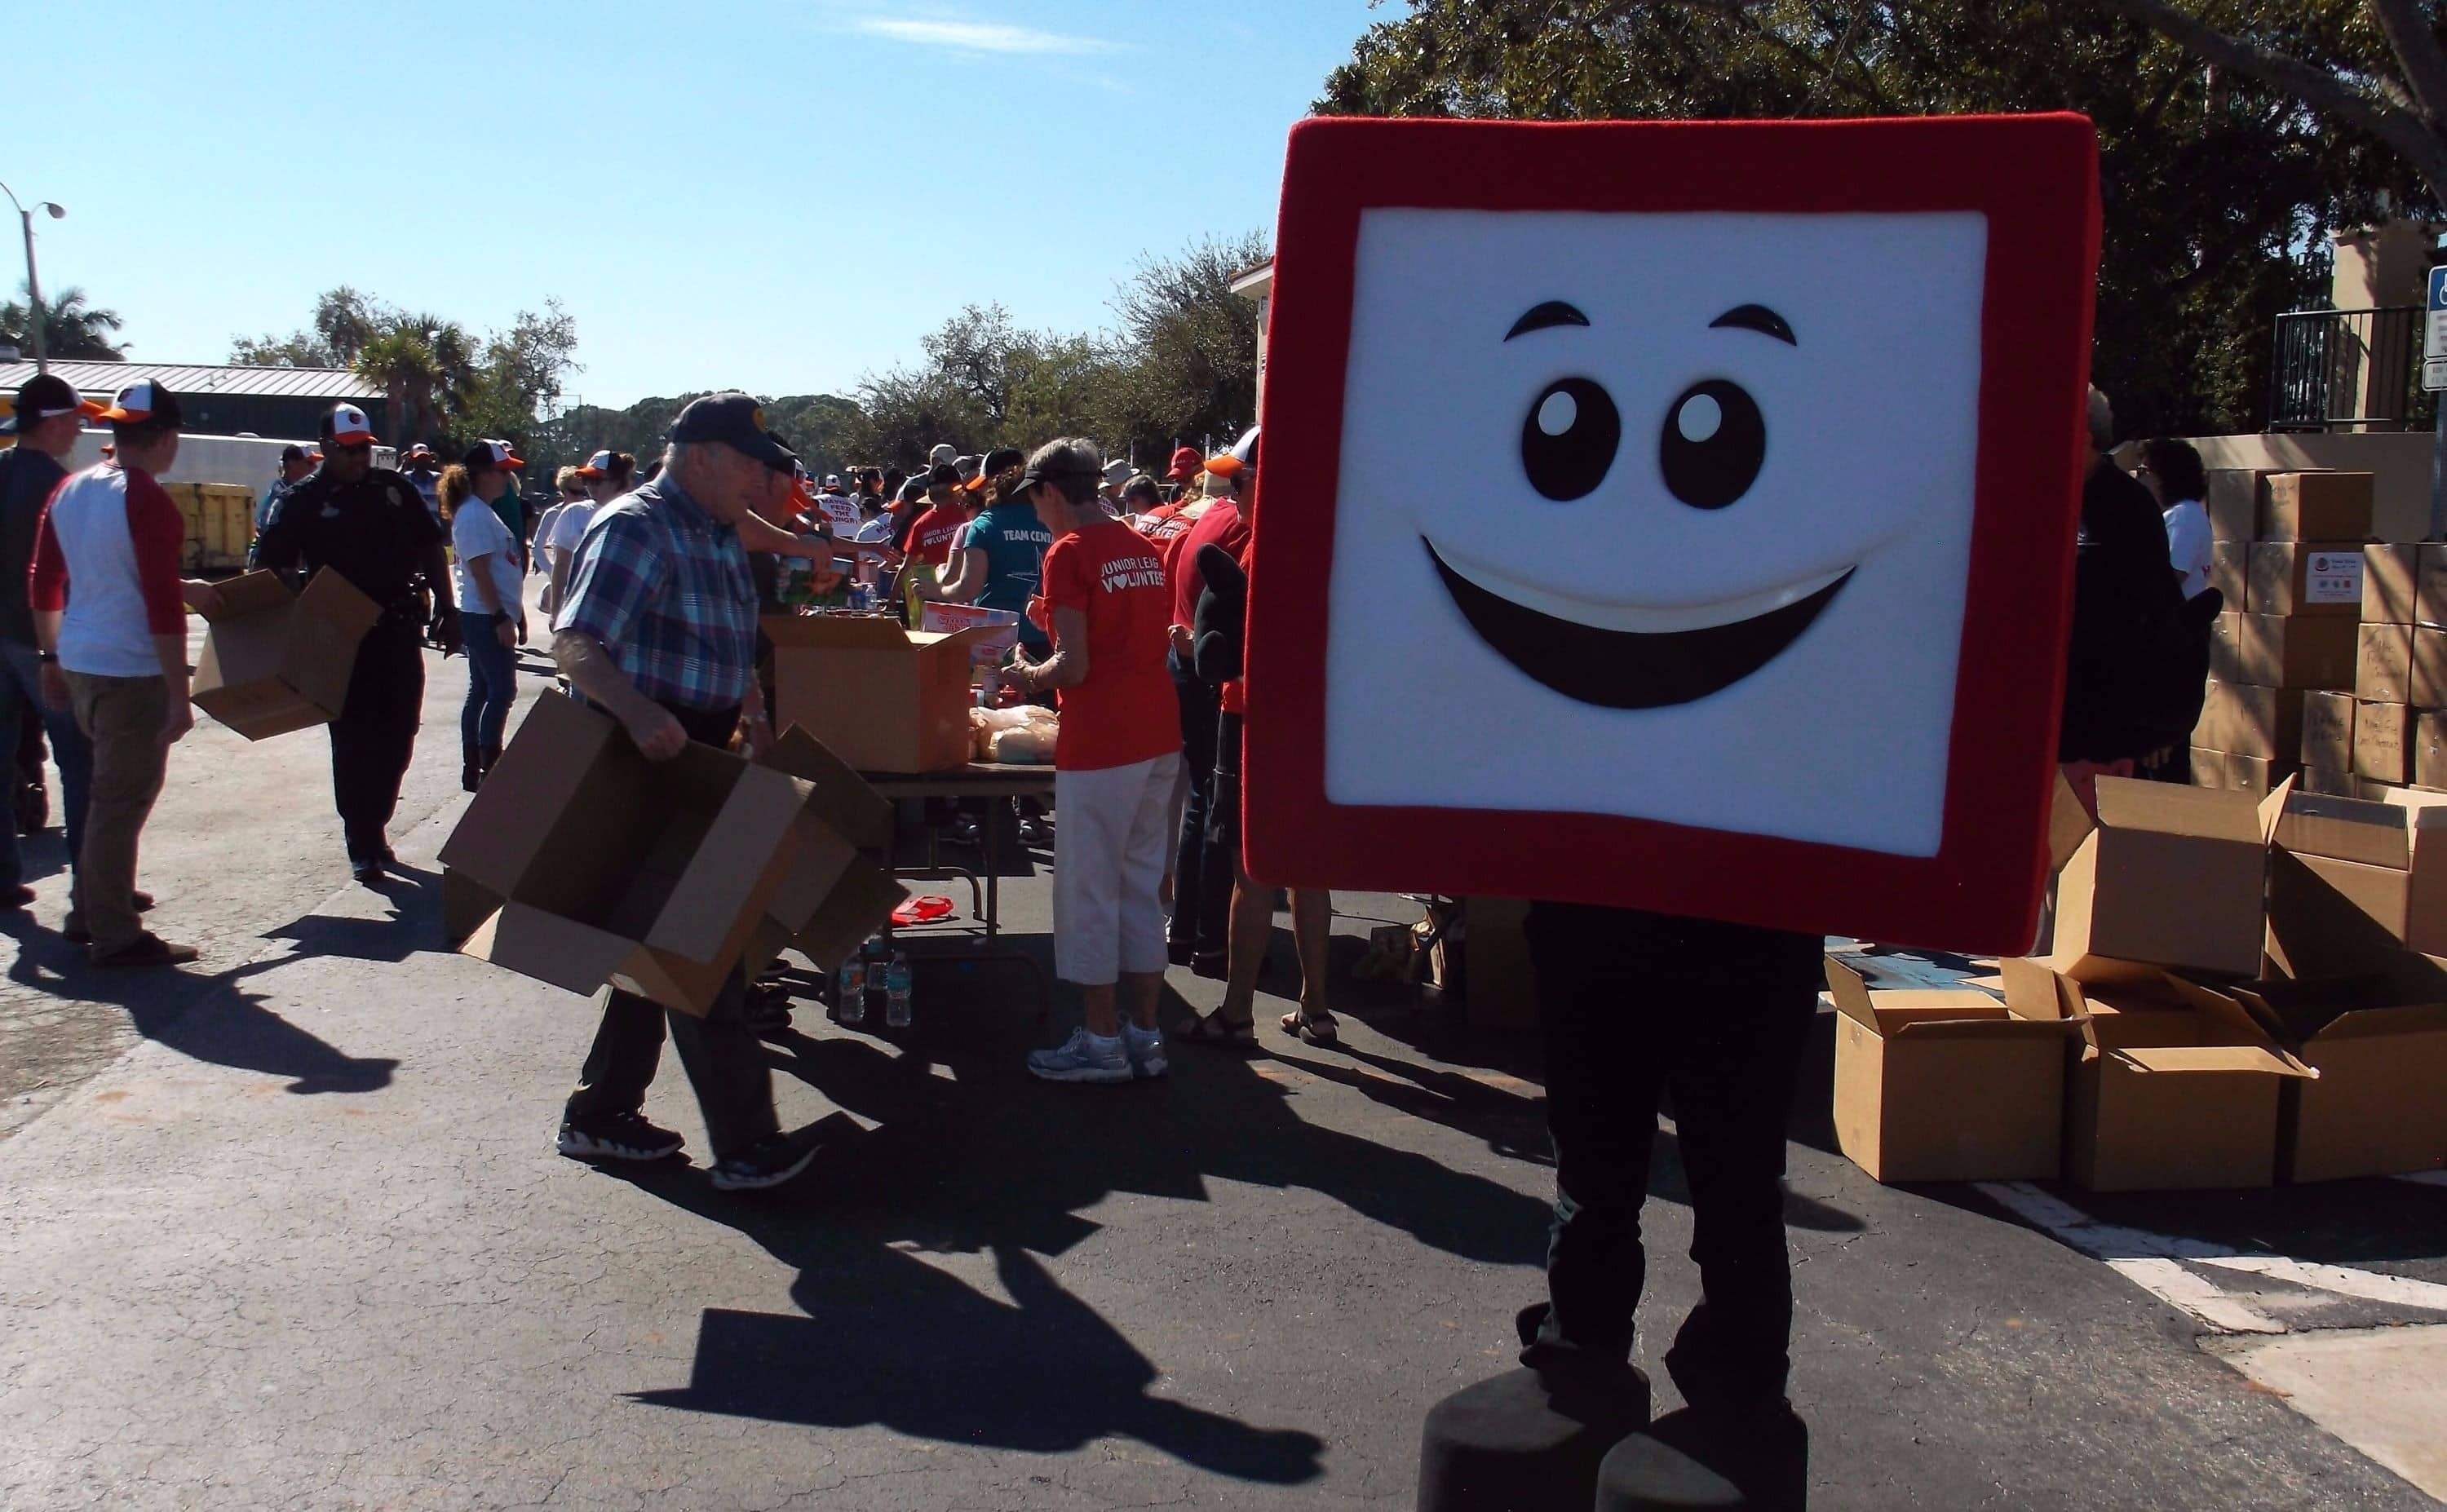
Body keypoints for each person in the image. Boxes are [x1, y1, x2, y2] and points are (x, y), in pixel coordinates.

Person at [551, 391, 812, 1191]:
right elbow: (575, 642)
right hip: (643, 760)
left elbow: (729, 642)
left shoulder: (717, 530)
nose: (762, 483)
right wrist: (637, 713)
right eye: (751, 467)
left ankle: (601, 1113)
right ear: (701, 457)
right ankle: (745, 1145)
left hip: (703, 755)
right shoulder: (636, 526)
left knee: (656, 948)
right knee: (702, 950)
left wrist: (754, 712)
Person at [989, 439, 1181, 1085]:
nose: (1036, 513)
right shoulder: (1140, 543)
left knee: (1089, 891)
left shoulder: (1068, 551)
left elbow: (1073, 666)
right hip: (1156, 729)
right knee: (1141, 887)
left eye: (1035, 500)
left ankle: (1101, 1041)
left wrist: (1025, 674)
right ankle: (1145, 1035)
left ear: (1050, 491)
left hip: (1103, 740)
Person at [26, 381, 223, 966]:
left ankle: (90, 909)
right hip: (128, 671)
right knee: (121, 802)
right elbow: (160, 607)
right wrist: (179, 696)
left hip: (80, 659)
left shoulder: (72, 488)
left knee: (103, 795)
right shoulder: (148, 501)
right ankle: (113, 932)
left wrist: (50, 657)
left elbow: (48, 579)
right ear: (165, 437)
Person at [254, 401, 455, 883]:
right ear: (326, 448)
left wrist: (448, 608)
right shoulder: (301, 499)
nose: (358, 458)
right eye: (348, 450)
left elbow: (430, 545)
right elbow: (268, 566)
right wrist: (290, 603)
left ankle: (376, 821)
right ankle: (362, 838)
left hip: (397, 630)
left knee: (400, 733)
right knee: (352, 741)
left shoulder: (393, 489)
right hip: (338, 638)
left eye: (364, 448)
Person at [2060, 387, 2199, 814]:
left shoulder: (2127, 506)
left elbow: (2160, 614)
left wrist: (2157, 725)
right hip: (2048, 709)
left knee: (2084, 838)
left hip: (2102, 720)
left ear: (2084, 437)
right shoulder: (2044, 497)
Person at [0, 374, 104, 919]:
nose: (80, 429)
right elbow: (73, 577)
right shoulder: (61, 488)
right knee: (80, 763)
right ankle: (94, 890)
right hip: (44, 641)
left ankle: (2, 879)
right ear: (54, 422)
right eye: (75, 420)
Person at [1162, 434, 1254, 975]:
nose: (1232, 488)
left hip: (1190, 662)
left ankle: (1189, 935)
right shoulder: (1242, 526)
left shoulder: (1211, 515)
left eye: (1239, 479)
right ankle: (1209, 940)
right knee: (1217, 809)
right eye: (1235, 481)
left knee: (1204, 802)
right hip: (1210, 673)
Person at [442, 444, 528, 791]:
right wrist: (499, 617)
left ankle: (475, 766)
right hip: (483, 615)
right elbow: (480, 572)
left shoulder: (481, 511)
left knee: (482, 689)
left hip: (485, 613)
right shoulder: (474, 514)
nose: (508, 477)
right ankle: (488, 765)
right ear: (481, 475)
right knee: (501, 690)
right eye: (502, 471)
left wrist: (513, 611)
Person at [916, 446, 1051, 657]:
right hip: (1046, 635)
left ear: (993, 484)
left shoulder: (984, 525)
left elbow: (968, 589)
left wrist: (937, 591)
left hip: (996, 640)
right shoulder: (1050, 520)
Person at [2137, 435, 2212, 601]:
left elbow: (2171, 576)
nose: (2138, 479)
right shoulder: (2181, 513)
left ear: (2163, 476)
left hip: (2172, 615)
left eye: (2143, 471)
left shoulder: (2184, 515)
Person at [255, 443, 319, 536]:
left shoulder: (297, 490)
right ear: (292, 464)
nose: (315, 467)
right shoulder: (280, 494)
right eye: (310, 463)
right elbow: (267, 527)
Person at [400, 444, 442, 518]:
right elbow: (393, 480)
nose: (422, 462)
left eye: (425, 459)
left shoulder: (437, 477)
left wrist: (437, 463)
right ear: (413, 460)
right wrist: (404, 464)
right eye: (419, 459)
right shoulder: (407, 477)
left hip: (434, 522)